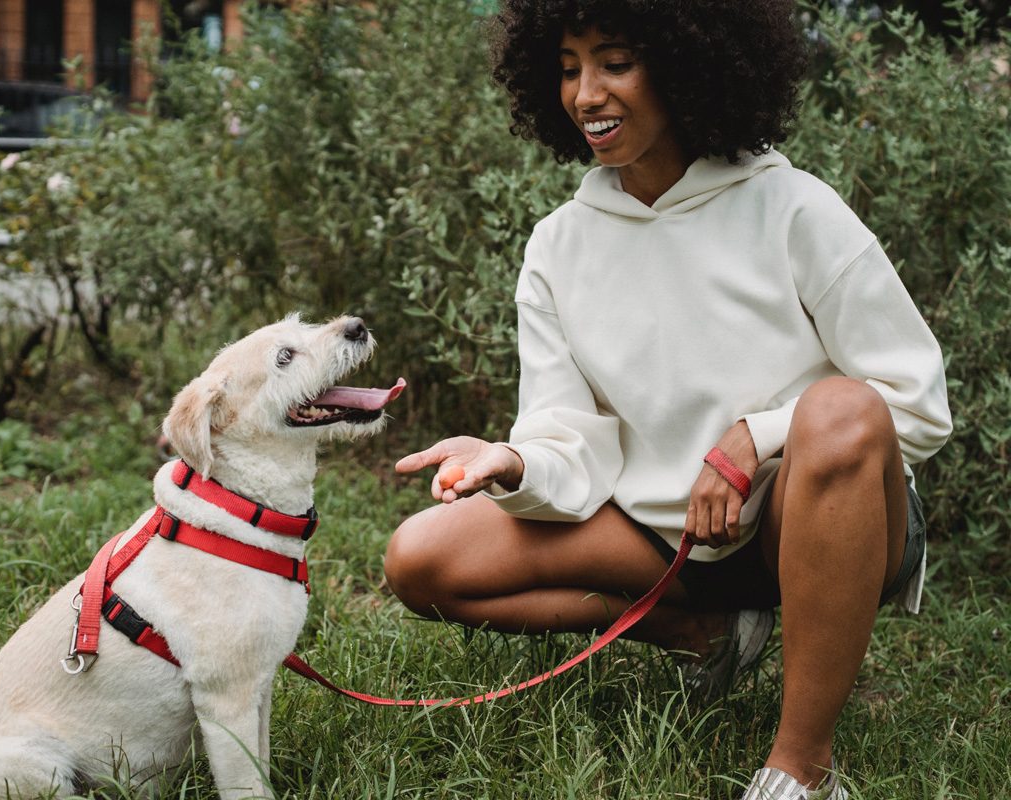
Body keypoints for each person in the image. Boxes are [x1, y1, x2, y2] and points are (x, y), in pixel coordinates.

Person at [384, 1, 952, 798]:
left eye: (614, 62)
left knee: (841, 410)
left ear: (688, 65)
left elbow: (915, 401)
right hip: (667, 537)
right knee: (422, 559)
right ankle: (705, 633)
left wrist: (755, 439)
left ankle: (801, 766)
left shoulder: (792, 206)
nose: (585, 94)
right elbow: (569, 436)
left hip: (813, 520)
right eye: (570, 66)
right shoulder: (558, 244)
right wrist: (512, 458)